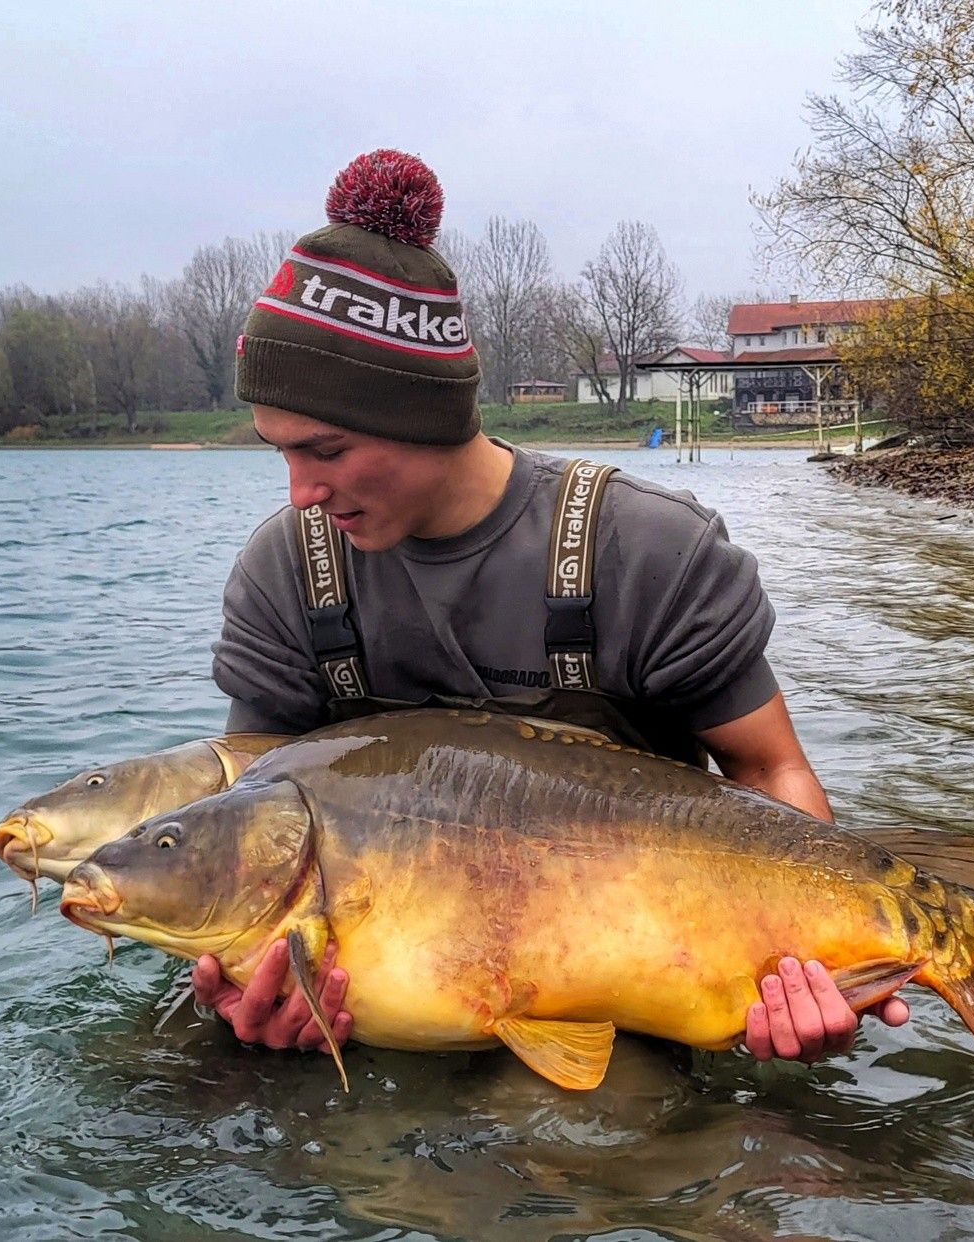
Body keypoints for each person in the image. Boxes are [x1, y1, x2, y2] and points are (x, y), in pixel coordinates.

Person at [195, 149, 909, 1069]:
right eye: (277, 453)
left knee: (577, 1154)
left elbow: (774, 779)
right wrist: (240, 988)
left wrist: (802, 973)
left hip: (626, 981)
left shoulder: (651, 550)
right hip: (389, 987)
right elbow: (252, 821)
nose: (298, 493)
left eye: (324, 450)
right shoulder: (284, 573)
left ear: (425, 417)